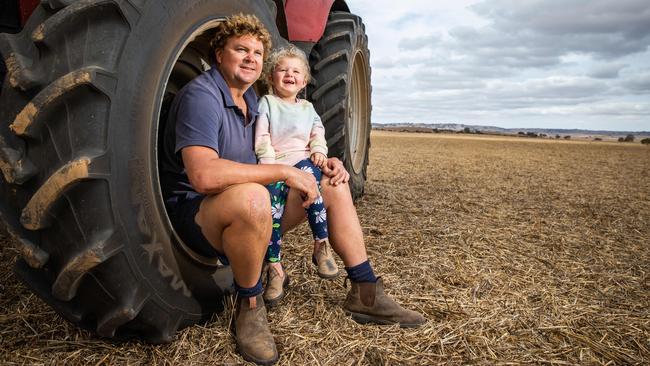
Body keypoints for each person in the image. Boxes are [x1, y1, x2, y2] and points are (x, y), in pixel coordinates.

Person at [161, 13, 425, 366]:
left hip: (249, 212)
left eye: (257, 52)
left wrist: (324, 161)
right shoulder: (202, 96)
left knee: (331, 184)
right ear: (219, 52)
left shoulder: (253, 102)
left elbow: (287, 143)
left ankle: (365, 290)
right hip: (198, 216)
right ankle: (251, 306)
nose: (251, 58)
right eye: (241, 49)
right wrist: (285, 172)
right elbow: (204, 177)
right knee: (254, 195)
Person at [255, 46, 339, 307]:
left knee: (312, 185)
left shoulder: (308, 107)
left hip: (303, 159)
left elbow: (317, 132)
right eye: (282, 70)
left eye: (296, 71)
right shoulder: (267, 103)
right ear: (271, 77)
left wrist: (319, 150)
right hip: (276, 163)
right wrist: (268, 164)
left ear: (304, 81)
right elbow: (262, 135)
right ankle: (275, 267)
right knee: (272, 211)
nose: (289, 74)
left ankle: (321, 244)